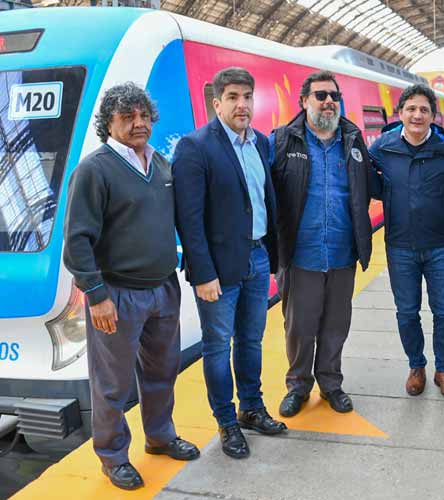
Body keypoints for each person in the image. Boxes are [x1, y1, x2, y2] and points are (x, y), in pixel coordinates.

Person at [63, 83, 199, 490]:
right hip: (117, 295)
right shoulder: (94, 170)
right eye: (127, 117)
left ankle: (160, 436)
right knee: (113, 383)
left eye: (143, 115)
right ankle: (113, 457)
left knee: (162, 371)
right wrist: (97, 295)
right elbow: (77, 242)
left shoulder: (161, 165)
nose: (139, 123)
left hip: (163, 289)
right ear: (109, 123)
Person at [173, 67, 286, 461]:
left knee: (251, 340)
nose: (242, 105)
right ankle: (226, 421)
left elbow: (265, 201)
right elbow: (188, 219)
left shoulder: (260, 143)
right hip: (218, 270)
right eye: (234, 97)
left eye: (247, 97)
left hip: (257, 256)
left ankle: (251, 408)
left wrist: (273, 256)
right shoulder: (195, 147)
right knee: (218, 346)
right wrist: (203, 273)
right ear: (217, 102)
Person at [270, 70, 372, 417]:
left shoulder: (353, 140)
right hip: (301, 254)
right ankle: (298, 386)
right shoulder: (283, 141)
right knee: (299, 328)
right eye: (320, 95)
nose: (329, 101)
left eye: (334, 96)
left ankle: (330, 384)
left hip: (343, 252)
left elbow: (367, 187)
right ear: (304, 101)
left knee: (335, 325)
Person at [369, 84, 444, 399]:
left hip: (440, 245)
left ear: (432, 116)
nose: (417, 115)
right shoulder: (382, 148)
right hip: (399, 246)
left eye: (424, 109)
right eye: (411, 108)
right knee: (407, 311)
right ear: (400, 113)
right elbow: (365, 181)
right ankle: (416, 366)